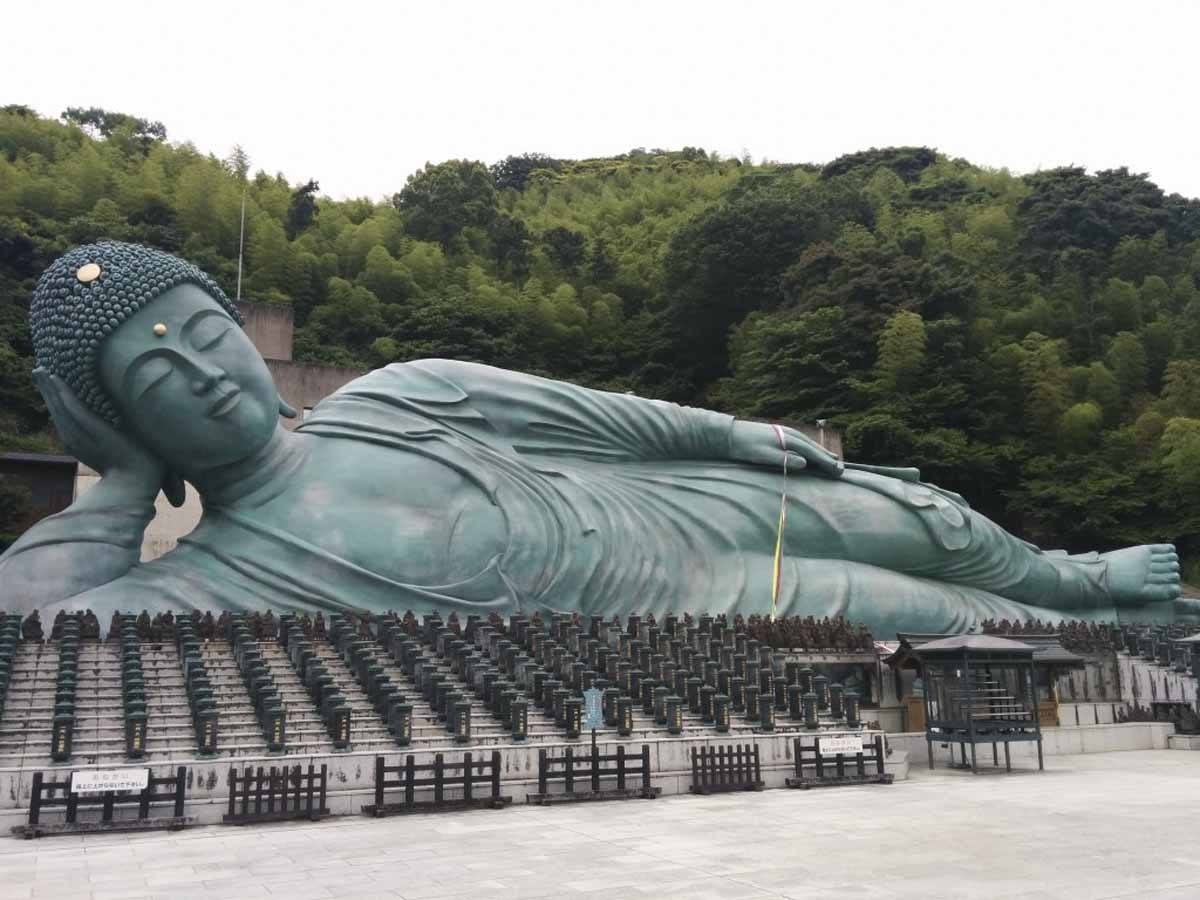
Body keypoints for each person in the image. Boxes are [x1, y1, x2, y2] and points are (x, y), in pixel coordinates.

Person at [0, 242, 1184, 634]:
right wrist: (118, 488)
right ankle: (1096, 615)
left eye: (205, 332)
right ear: (115, 416)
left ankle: (1075, 572)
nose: (205, 374)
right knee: (927, 613)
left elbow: (597, 414)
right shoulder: (220, 573)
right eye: (153, 377)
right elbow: (42, 628)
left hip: (674, 505)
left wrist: (735, 432)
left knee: (907, 513)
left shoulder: (403, 392)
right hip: (690, 595)